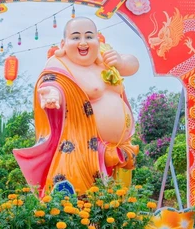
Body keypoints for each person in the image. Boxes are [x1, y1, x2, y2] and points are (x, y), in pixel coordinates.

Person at [14, 17, 139, 194]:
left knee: (118, 203)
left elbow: (133, 64)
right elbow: (52, 82)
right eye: (75, 37)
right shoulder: (60, 64)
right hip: (82, 149)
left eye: (89, 36)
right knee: (82, 199)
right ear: (63, 44)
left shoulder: (104, 58)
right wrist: (52, 94)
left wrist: (121, 62)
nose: (83, 42)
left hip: (120, 148)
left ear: (98, 40)